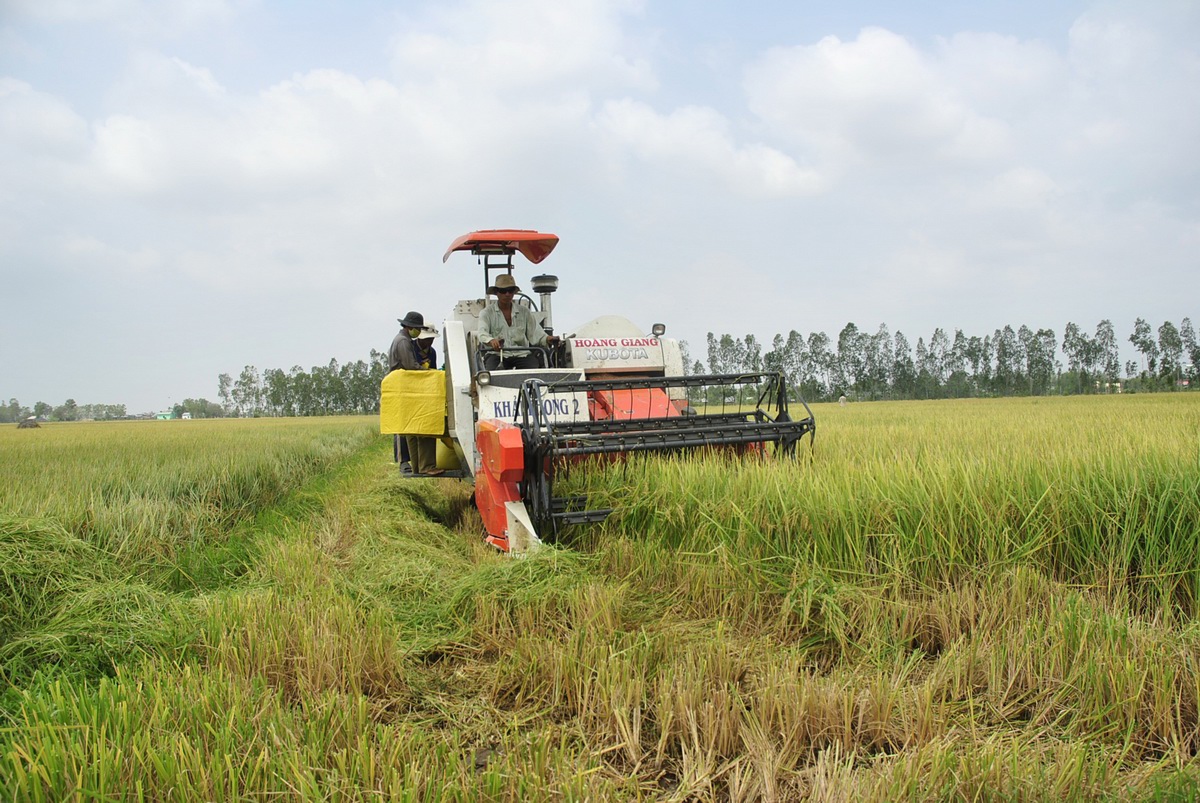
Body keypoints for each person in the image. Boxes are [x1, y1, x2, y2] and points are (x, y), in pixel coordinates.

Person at [389, 311, 443, 476]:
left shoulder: (428, 351)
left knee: (413, 430)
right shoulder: (405, 343)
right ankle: (419, 465)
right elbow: (411, 367)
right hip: (408, 390)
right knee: (418, 430)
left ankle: (420, 467)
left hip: (416, 391)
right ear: (411, 328)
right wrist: (431, 374)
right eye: (418, 330)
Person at [477, 274, 558, 370]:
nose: (507, 294)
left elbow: (536, 333)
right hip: (497, 354)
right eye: (503, 291)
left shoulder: (524, 312)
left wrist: (549, 338)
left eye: (510, 290)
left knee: (533, 373)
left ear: (513, 293)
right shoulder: (486, 313)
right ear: (496, 292)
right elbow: (482, 333)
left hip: (522, 354)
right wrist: (491, 341)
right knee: (493, 376)